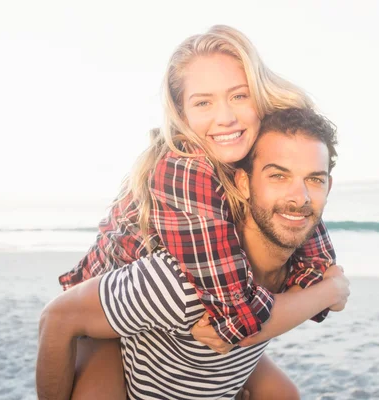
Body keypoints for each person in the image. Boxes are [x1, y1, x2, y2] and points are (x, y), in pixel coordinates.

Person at [53, 25, 341, 397]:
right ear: (182, 112)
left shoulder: (257, 151)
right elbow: (235, 321)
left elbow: (306, 231)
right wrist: (327, 292)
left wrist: (322, 285)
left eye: (239, 96)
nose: (226, 118)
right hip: (107, 309)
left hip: (176, 315)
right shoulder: (185, 169)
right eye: (203, 102)